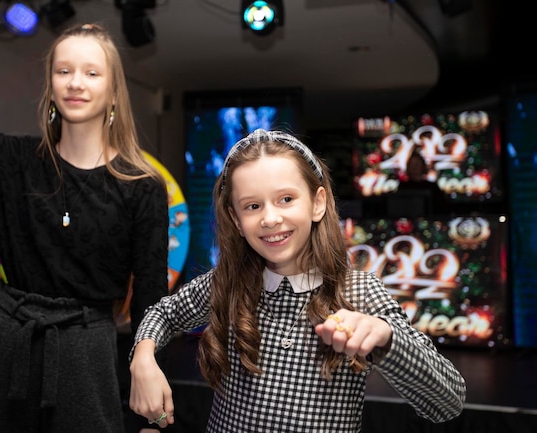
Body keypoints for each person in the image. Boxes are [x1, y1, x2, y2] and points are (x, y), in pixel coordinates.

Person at [0, 23, 169, 433]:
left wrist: (149, 377)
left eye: (91, 72)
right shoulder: (9, 163)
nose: (75, 83)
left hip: (87, 359)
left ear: (114, 91)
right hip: (3, 351)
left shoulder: (141, 188)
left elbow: (151, 299)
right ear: (50, 84)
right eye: (63, 71)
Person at [128, 129, 466, 432]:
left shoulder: (358, 291)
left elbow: (447, 402)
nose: (271, 218)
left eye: (286, 199)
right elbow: (163, 313)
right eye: (253, 206)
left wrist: (386, 337)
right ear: (235, 218)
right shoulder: (228, 283)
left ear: (317, 203)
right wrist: (143, 357)